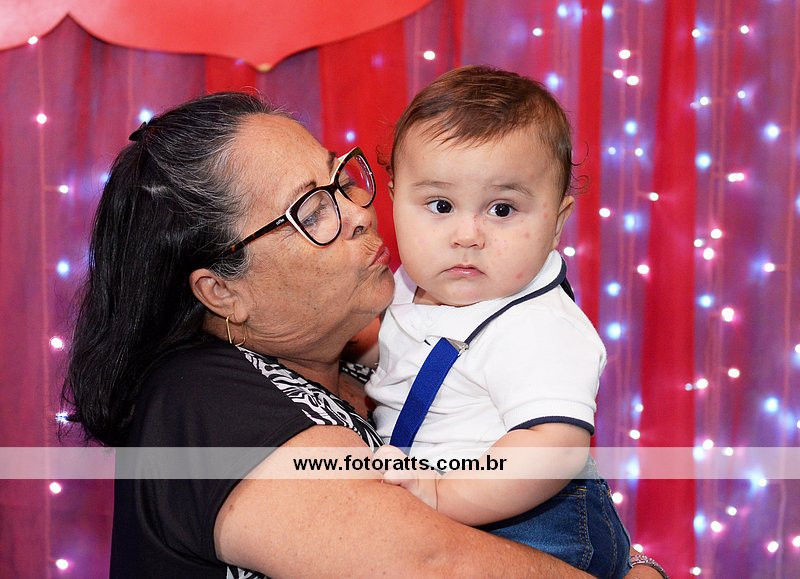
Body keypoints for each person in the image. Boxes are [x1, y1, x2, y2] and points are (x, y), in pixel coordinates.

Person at [62, 91, 664, 578]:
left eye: (340, 180)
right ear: (222, 291)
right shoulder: (203, 400)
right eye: (310, 212)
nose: (357, 212)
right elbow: (433, 564)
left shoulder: (370, 357)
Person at [365, 66, 635, 579]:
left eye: (503, 210)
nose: (467, 234)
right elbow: (395, 344)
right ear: (396, 200)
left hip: (534, 525)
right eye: (440, 205)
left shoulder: (538, 327)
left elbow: (554, 448)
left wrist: (442, 496)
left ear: (556, 222)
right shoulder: (412, 282)